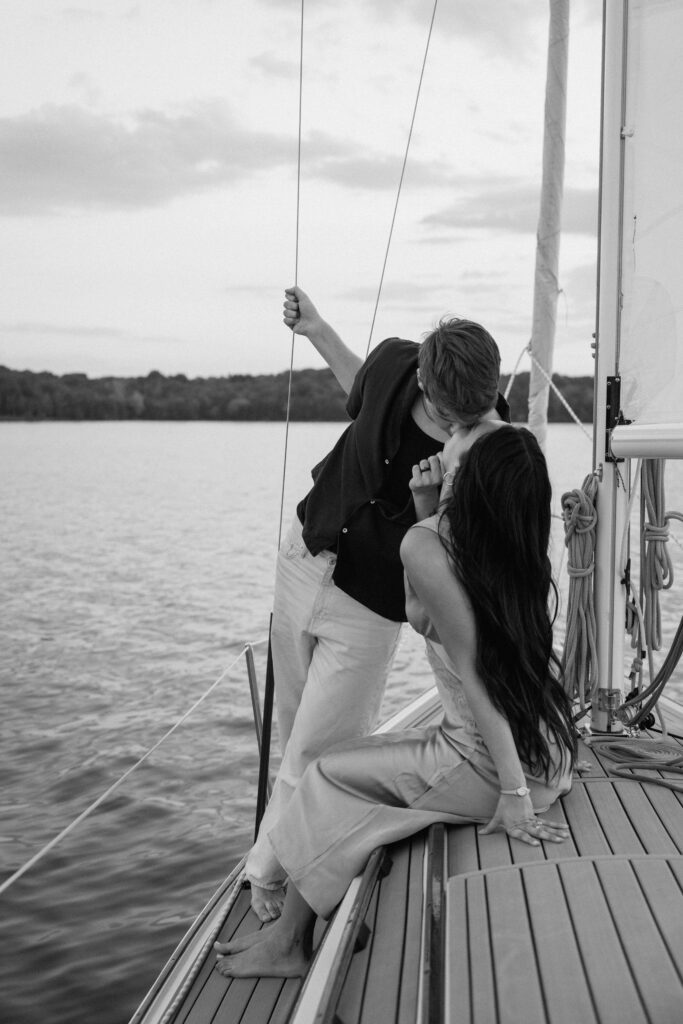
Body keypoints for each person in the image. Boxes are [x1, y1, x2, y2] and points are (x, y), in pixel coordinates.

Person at [216, 423, 576, 977]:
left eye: (465, 435)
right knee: (360, 769)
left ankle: (288, 942)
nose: (453, 434)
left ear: (469, 478)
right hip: (547, 749)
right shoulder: (511, 548)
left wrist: (514, 793)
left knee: (324, 775)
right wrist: (429, 506)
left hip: (492, 759)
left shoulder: (426, 544)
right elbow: (439, 614)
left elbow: (475, 676)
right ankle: (323, 899)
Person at [245, 287, 511, 921]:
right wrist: (315, 327)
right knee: (293, 726)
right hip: (305, 555)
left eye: (471, 415)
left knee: (319, 745)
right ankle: (290, 845)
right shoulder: (394, 363)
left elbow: (462, 552)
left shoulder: (487, 439)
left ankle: (268, 876)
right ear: (422, 378)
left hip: (370, 604)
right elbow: (358, 386)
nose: (460, 426)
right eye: (451, 414)